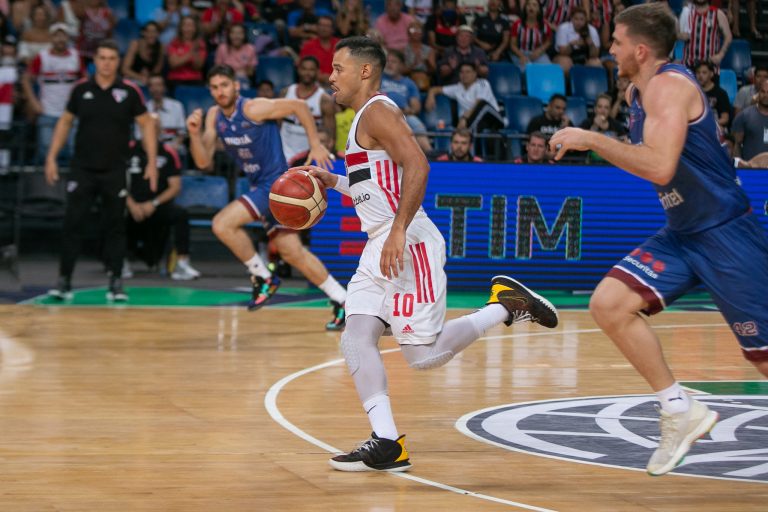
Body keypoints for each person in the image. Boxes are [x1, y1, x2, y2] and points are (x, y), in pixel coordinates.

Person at [299, 35, 558, 472]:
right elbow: (376, 187)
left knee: (422, 357)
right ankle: (386, 443)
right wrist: (335, 182)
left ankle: (505, 306)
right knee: (355, 337)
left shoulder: (377, 111)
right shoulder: (365, 117)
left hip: (406, 242)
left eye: (338, 68)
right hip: (380, 243)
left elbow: (418, 164)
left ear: (365, 71)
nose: (331, 76)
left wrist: (399, 230)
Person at [549, 3, 768, 477]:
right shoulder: (637, 91)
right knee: (609, 304)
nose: (609, 49)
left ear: (641, 50)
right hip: (685, 233)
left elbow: (659, 166)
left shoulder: (668, 87)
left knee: (764, 359)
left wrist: (593, 139)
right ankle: (677, 408)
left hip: (726, 233)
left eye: (617, 41)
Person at [186, 64, 347, 330]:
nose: (220, 91)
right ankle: (343, 300)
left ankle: (263, 277)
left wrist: (316, 144)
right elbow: (203, 162)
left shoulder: (252, 108)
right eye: (214, 87)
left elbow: (299, 106)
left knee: (222, 224)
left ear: (236, 86)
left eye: (224, 85)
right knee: (292, 252)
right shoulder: (214, 115)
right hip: (261, 187)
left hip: (274, 184)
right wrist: (194, 134)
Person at [45, 39, 158, 301]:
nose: (107, 63)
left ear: (118, 62)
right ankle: (64, 281)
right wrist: (51, 157)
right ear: (95, 61)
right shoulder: (80, 89)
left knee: (115, 226)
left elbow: (146, 124)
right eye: (102, 58)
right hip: (82, 169)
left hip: (115, 170)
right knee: (72, 223)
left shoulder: (129, 91)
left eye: (112, 58)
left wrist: (151, 161)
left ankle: (116, 282)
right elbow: (65, 122)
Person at [125, 115, 201, 281]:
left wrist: (153, 203)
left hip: (157, 205)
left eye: (156, 126)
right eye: (148, 126)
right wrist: (131, 204)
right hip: (132, 206)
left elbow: (175, 187)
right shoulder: (128, 149)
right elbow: (116, 182)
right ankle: (119, 262)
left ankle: (181, 264)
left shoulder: (168, 153)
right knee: (113, 210)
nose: (152, 129)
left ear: (160, 130)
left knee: (180, 214)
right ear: (141, 128)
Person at [21, 22, 84, 165]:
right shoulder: (42, 57)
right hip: (48, 112)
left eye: (63, 35)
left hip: (71, 112)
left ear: (68, 37)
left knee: (74, 150)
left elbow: (84, 80)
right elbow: (25, 79)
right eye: (56, 35)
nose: (60, 39)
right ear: (51, 38)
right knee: (46, 152)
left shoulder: (76, 56)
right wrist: (33, 102)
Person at [279, 56, 336, 167]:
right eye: (304, 69)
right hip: (283, 153)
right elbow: (277, 125)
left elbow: (330, 137)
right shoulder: (285, 93)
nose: (307, 73)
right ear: (298, 70)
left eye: (311, 69)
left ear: (318, 72)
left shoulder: (324, 100)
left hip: (309, 156)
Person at [678, 0, 731, 70]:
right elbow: (677, 34)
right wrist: (680, 36)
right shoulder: (687, 12)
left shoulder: (717, 13)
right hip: (689, 65)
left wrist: (720, 55)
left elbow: (728, 36)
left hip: (710, 66)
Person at [731, 79, 768, 161]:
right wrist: (738, 165)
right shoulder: (744, 115)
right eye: (763, 92)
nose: (766, 95)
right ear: (758, 93)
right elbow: (737, 145)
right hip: (749, 167)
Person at [695, 60, 731, 132]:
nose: (700, 76)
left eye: (704, 73)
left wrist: (710, 124)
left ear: (711, 74)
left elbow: (725, 119)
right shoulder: (692, 92)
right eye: (698, 72)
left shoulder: (721, 93)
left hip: (714, 126)